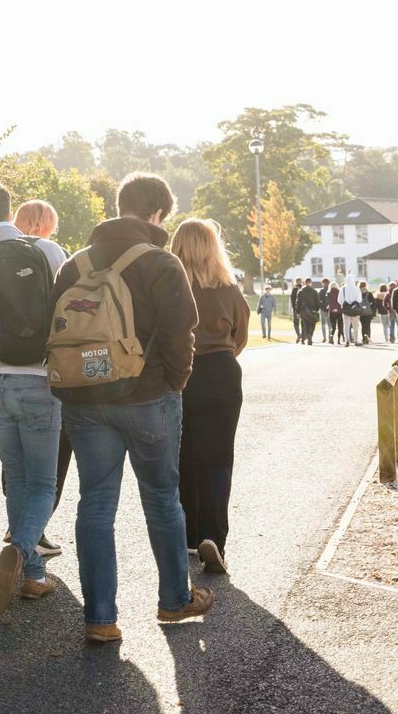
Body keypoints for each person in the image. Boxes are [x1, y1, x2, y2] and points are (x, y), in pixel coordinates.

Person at [49, 173, 212, 645]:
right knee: (161, 496)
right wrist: (175, 384)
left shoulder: (74, 263)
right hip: (148, 397)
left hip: (82, 396)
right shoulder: (161, 262)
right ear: (158, 214)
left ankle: (100, 617)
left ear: (119, 205)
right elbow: (182, 333)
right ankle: (174, 599)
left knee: (96, 503)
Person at [0, 183, 66, 615]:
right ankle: (21, 551)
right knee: (43, 483)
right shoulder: (50, 254)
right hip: (42, 379)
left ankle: (34, 576)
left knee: (17, 478)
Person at [170, 218, 249, 575]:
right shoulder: (230, 289)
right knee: (219, 459)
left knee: (183, 456)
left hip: (180, 372)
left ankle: (189, 535)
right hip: (222, 370)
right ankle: (214, 537)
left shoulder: (169, 287)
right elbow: (241, 336)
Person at [9, 199, 71, 556]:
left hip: (1, 364)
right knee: (52, 457)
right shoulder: (54, 253)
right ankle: (33, 532)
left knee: (15, 457)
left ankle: (16, 521)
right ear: (48, 224)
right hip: (43, 365)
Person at [296, 277, 321, 345]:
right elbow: (318, 302)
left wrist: (298, 312)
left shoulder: (300, 291)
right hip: (312, 310)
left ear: (305, 283)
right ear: (310, 283)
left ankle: (307, 335)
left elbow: (298, 303)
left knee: (306, 324)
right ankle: (310, 335)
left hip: (303, 311)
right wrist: (317, 309)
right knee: (313, 324)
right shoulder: (314, 291)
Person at [340, 274, 362, 347]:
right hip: (355, 310)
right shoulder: (357, 288)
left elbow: (339, 300)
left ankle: (347, 340)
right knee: (356, 326)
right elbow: (359, 299)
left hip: (346, 310)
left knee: (346, 326)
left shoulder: (343, 289)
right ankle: (356, 341)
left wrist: (344, 303)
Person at [289, 277, 304, 343]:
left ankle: (298, 334)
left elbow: (292, 300)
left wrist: (294, 308)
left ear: (296, 282)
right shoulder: (303, 289)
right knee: (303, 322)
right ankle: (303, 335)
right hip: (303, 309)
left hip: (296, 308)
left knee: (296, 323)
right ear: (301, 282)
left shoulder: (294, 290)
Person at [318, 278, 331, 342]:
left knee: (323, 324)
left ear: (323, 283)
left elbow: (318, 299)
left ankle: (324, 337)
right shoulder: (330, 289)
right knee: (329, 324)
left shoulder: (321, 290)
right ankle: (330, 337)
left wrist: (320, 306)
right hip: (330, 309)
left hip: (323, 309)